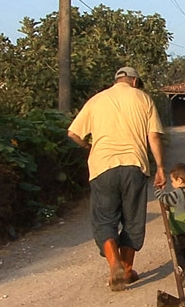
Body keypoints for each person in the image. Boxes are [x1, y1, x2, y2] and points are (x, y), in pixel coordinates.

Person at [67, 66, 166, 291]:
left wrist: (89, 146)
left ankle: (115, 266)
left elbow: (73, 133)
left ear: (116, 80)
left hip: (102, 167)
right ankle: (127, 270)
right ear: (134, 82)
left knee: (104, 219)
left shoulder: (96, 100)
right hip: (134, 165)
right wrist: (160, 167)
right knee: (133, 220)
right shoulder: (143, 99)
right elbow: (153, 136)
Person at [155, 162, 185, 287]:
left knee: (178, 252)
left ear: (179, 180)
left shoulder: (176, 193)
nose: (172, 183)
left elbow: (166, 199)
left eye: (172, 180)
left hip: (178, 229)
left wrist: (158, 192)